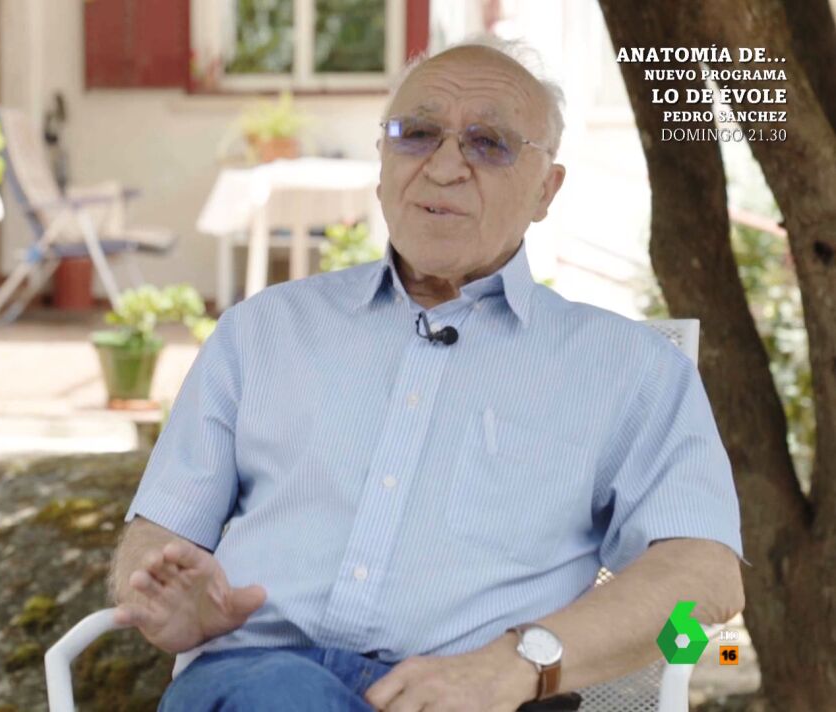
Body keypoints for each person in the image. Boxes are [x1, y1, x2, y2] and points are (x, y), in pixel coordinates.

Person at [109, 40, 745, 712]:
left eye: (489, 144)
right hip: (258, 682)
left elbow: (707, 582)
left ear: (546, 190)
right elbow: (160, 531)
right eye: (416, 134)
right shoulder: (262, 330)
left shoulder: (630, 369)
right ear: (382, 163)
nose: (443, 168)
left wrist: (519, 662)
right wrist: (161, 593)